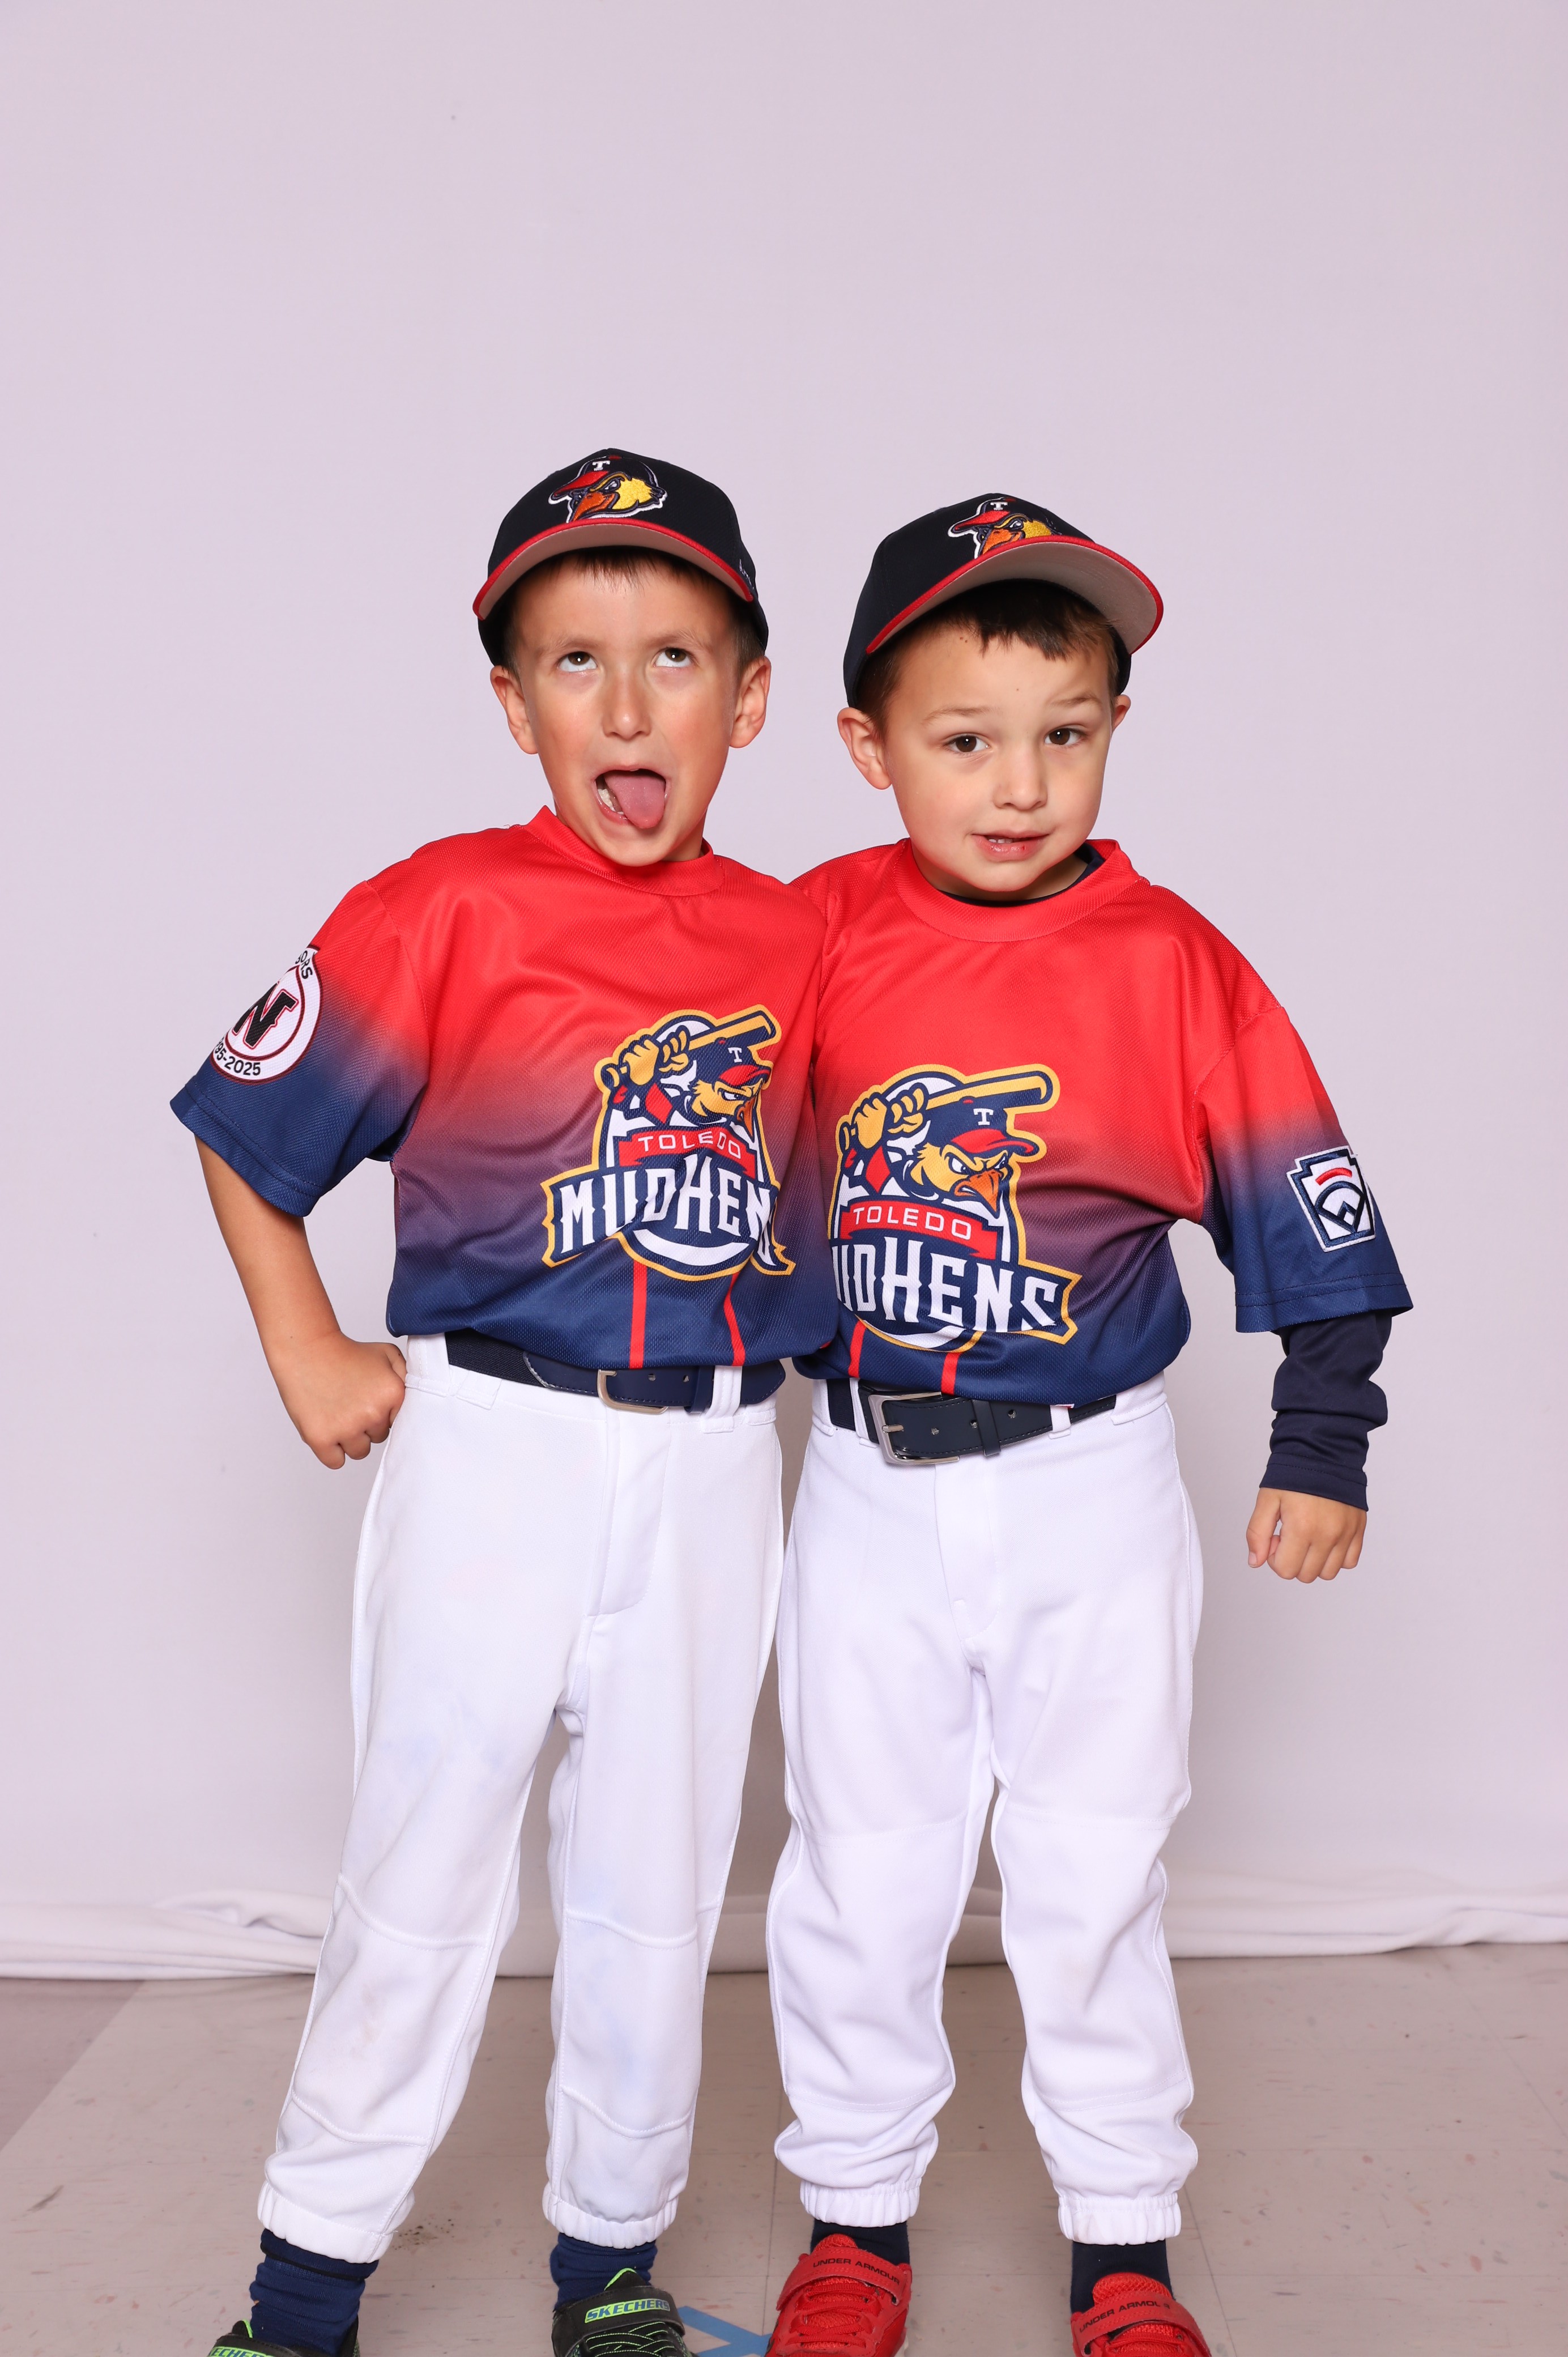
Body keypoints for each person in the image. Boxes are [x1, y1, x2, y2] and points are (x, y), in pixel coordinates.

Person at [173, 449, 834, 2357]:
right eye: (573, 661)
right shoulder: (442, 906)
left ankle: (607, 2271)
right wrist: (310, 1348)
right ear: (511, 700)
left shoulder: (802, 942)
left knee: (655, 1886)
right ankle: (304, 2286)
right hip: (494, 1443)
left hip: (716, 1453)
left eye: (676, 658)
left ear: (750, 699)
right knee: (426, 1861)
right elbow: (245, 1129)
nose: (626, 706)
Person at [762, 495, 1412, 2357]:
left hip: (1091, 1475)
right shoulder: (808, 935)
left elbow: (1311, 1210)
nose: (1021, 782)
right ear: (868, 743)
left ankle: (1122, 2245)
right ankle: (855, 2222)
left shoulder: (1170, 958)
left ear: (1117, 726)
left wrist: (1323, 1439)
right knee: (862, 1869)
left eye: (1066, 732)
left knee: (1096, 1870)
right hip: (866, 1478)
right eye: (966, 739)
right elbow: (680, 1162)